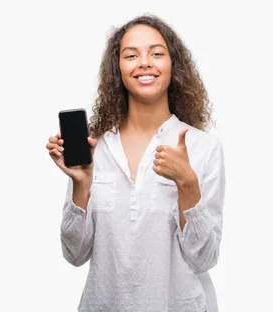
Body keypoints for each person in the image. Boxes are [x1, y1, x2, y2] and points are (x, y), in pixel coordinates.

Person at [45, 14, 226, 312]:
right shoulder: (96, 149)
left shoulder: (204, 148)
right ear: (118, 69)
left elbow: (204, 259)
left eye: (156, 53)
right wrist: (81, 186)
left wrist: (187, 184)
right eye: (131, 55)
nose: (144, 62)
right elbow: (74, 254)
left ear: (173, 66)